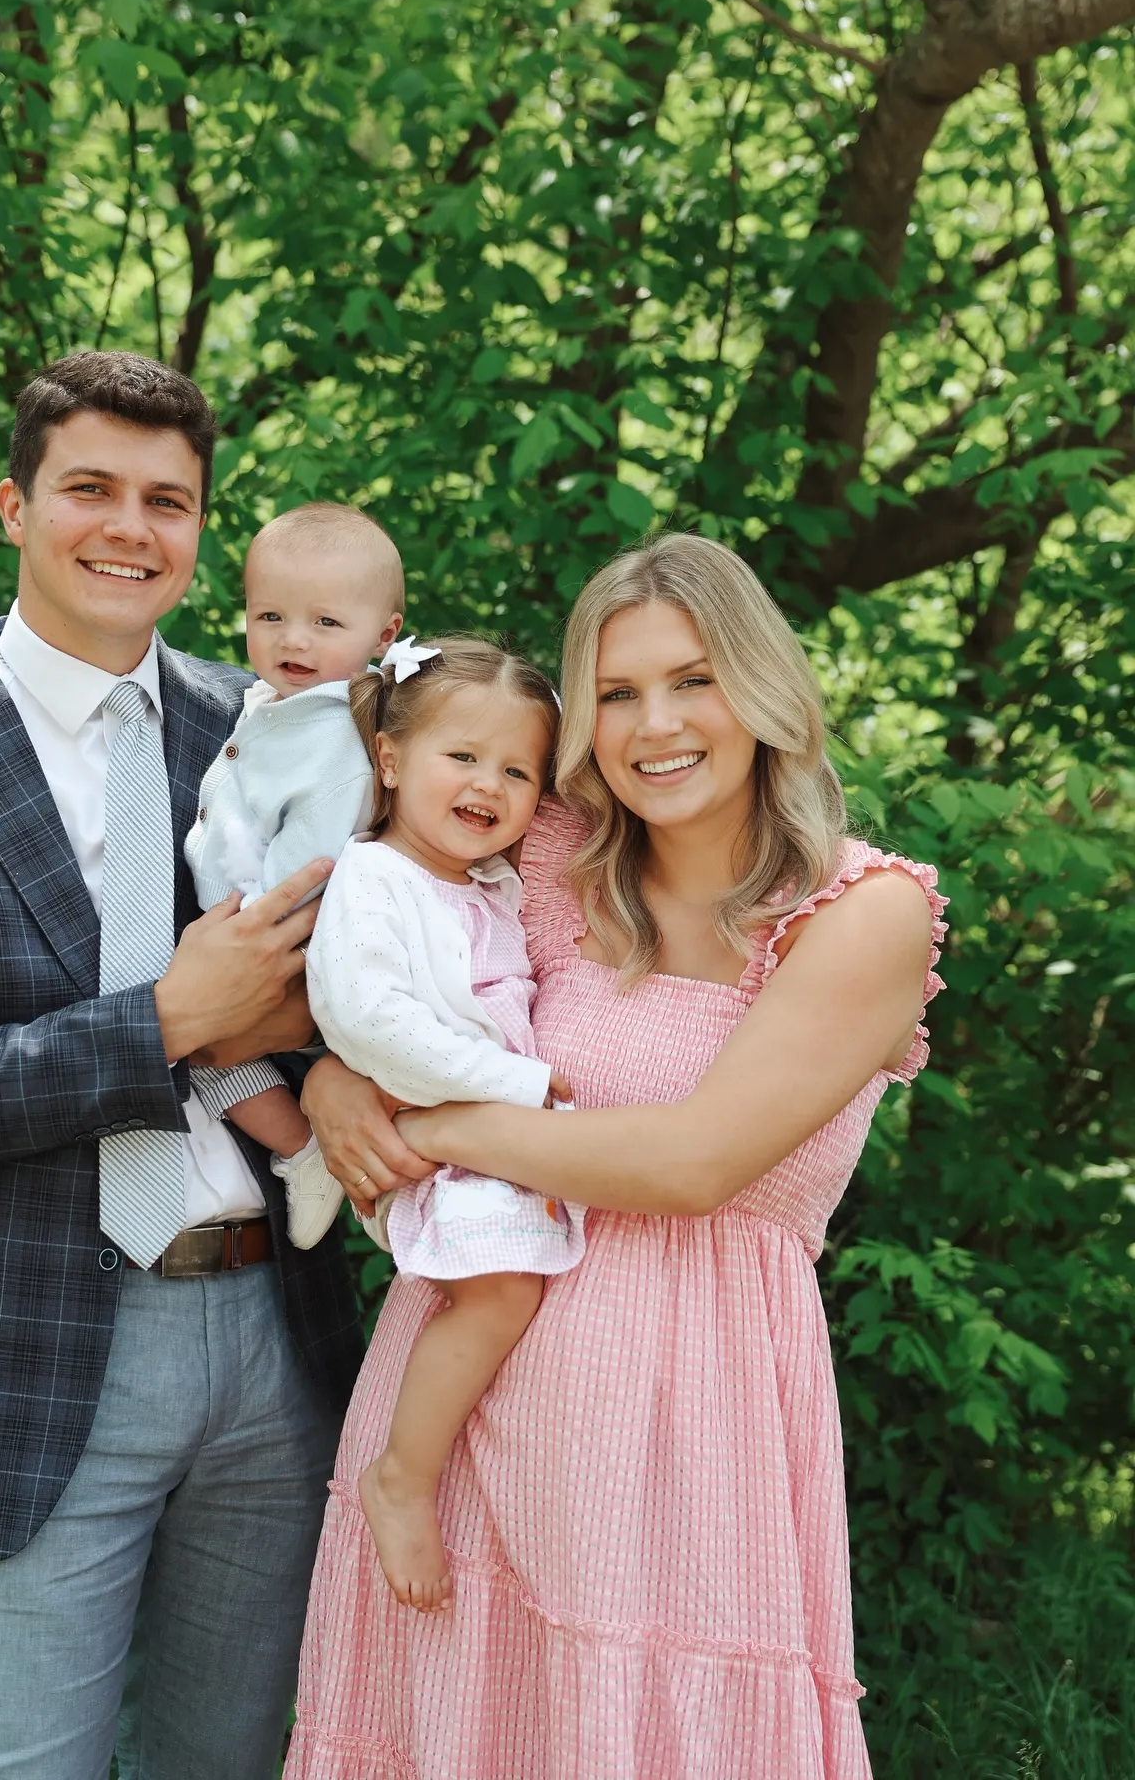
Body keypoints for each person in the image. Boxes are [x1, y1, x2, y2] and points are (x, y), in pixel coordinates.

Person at [288, 533, 948, 1780]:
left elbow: (693, 1163)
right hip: (459, 1404)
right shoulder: (543, 862)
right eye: (619, 692)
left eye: (694, 680)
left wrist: (431, 1130)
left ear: (763, 688)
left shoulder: (861, 914)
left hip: (693, 1434)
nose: (658, 725)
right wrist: (329, 1076)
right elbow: (364, 943)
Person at [0, 349, 365, 1780]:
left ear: (200, 532)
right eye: (90, 489)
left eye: (167, 501)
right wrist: (164, 1021)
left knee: (229, 1761)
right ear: (14, 506)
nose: (129, 527)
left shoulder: (276, 724)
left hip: (276, 1335)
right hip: (39, 1354)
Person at [304, 638, 582, 1611]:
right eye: (461, 757)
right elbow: (368, 1023)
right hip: (440, 1130)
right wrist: (521, 1087)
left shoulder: (493, 885)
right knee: (499, 1295)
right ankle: (402, 1476)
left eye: (517, 771)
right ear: (390, 759)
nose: (487, 785)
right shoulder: (374, 877)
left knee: (521, 1300)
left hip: (489, 1133)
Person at [184, 501, 404, 1247]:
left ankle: (306, 1152)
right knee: (188, 1047)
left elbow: (315, 857)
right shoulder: (275, 705)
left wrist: (249, 935)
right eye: (270, 616)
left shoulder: (337, 738)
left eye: (326, 622)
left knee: (195, 1046)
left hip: (279, 941)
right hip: (245, 934)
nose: (294, 639)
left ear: (385, 635)